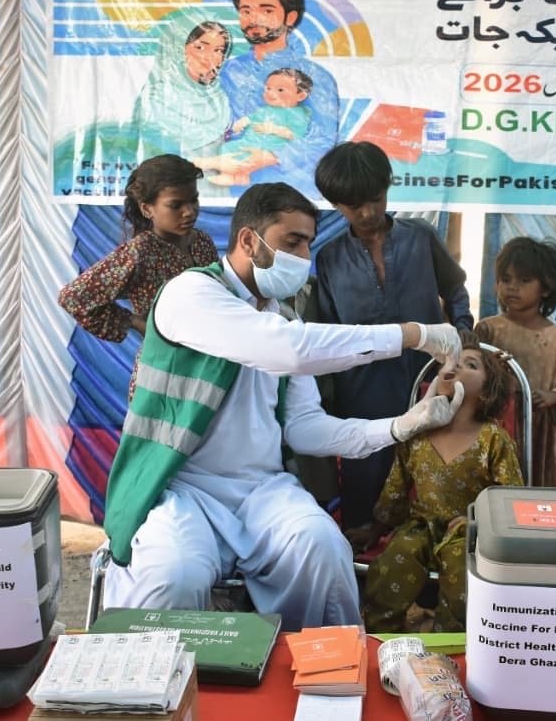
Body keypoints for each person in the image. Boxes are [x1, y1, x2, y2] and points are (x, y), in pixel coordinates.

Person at [99, 182, 465, 631]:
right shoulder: (190, 294)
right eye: (292, 241)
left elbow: (304, 428)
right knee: (174, 577)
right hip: (180, 487)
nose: (304, 255)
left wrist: (400, 426)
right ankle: (151, 692)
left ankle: (313, 686)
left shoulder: (285, 318)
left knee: (325, 552)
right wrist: (412, 334)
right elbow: (285, 350)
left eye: (309, 243)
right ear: (249, 240)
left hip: (261, 490)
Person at [312, 141, 472, 531]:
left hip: (429, 378)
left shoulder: (421, 236)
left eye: (376, 199)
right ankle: (362, 570)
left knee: (435, 476)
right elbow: (328, 334)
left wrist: (464, 333)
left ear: (388, 187)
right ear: (336, 205)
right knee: (365, 481)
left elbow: (455, 290)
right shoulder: (329, 258)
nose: (368, 213)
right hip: (362, 389)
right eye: (354, 206)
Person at [360, 336, 523, 633]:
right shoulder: (418, 432)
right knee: (391, 566)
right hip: (420, 525)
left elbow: (510, 499)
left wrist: (478, 522)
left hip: (469, 534)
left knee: (464, 577)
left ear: (488, 392)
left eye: (470, 364)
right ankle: (381, 638)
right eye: (453, 361)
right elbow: (395, 487)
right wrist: (376, 528)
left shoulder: (494, 440)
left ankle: (453, 645)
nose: (456, 366)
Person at [58, 155, 218, 401]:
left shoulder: (202, 241)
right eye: (176, 205)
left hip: (207, 366)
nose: (189, 211)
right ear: (147, 208)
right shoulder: (139, 252)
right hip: (162, 371)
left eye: (194, 200)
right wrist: (135, 322)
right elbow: (73, 297)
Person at [475, 237, 556, 488]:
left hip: (543, 437)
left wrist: (554, 396)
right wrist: (492, 373)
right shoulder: (488, 330)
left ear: (545, 288)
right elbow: (473, 376)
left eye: (524, 280)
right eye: (506, 279)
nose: (512, 287)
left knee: (541, 496)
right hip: (497, 429)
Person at [214, 0, 338, 187]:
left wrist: (268, 158)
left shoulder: (316, 76)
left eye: (267, 11)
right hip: (224, 189)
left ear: (290, 18)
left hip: (290, 190)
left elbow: (322, 140)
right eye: (246, 11)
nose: (254, 19)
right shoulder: (226, 71)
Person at [132, 9, 233, 167]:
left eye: (218, 50)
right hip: (166, 185)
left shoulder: (220, 98)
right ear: (177, 48)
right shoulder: (157, 98)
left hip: (216, 188)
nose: (210, 57)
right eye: (200, 47)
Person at [195, 67, 312, 187]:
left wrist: (275, 130)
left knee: (244, 158)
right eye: (268, 88)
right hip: (249, 141)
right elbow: (252, 118)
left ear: (301, 96)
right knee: (228, 147)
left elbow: (296, 134)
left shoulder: (297, 114)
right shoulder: (265, 110)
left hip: (270, 147)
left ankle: (219, 168)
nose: (270, 93)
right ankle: (237, 177)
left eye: (280, 90)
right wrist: (242, 122)